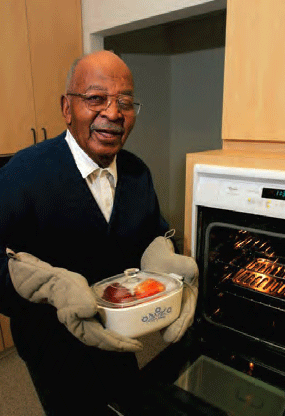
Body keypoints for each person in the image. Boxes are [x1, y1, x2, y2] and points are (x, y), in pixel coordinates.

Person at [0, 51, 198, 415]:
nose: (112, 112)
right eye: (95, 99)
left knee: (124, 403)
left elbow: (150, 233)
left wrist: (161, 253)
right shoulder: (21, 174)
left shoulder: (138, 173)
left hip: (123, 332)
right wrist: (48, 287)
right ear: (66, 108)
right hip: (51, 347)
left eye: (125, 101)